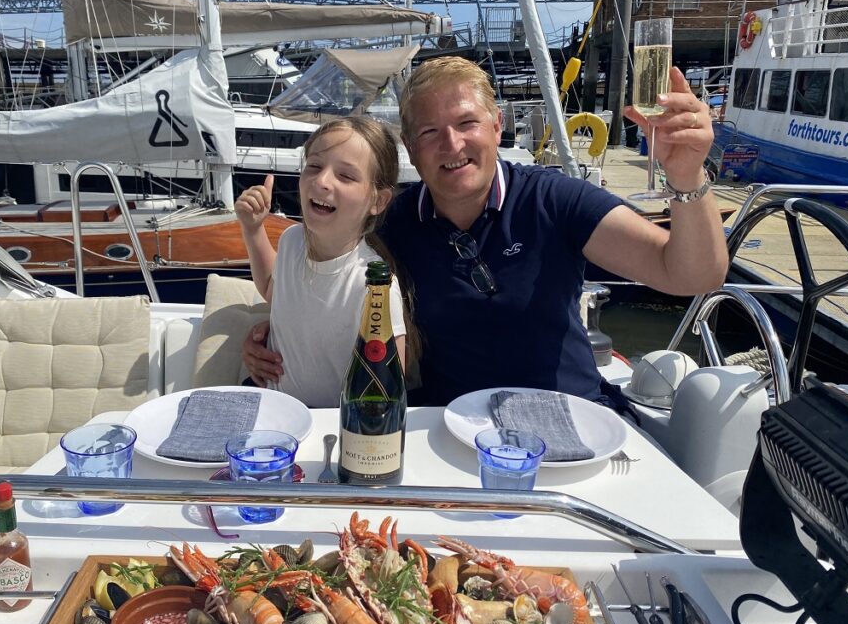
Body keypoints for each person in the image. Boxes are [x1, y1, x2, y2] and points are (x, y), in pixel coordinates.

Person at [244, 58, 728, 411]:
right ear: (412, 149)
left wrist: (686, 176)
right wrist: (268, 336)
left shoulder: (555, 202)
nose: (451, 144)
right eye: (430, 133)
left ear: (498, 127)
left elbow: (690, 274)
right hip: (448, 429)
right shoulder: (393, 222)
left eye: (467, 123)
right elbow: (318, 272)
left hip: (569, 415)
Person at [235, 116, 406, 407]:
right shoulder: (291, 241)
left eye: (346, 176)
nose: (322, 181)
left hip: (329, 423)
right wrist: (253, 230)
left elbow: (389, 389)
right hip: (273, 405)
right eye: (314, 166)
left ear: (378, 201)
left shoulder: (375, 287)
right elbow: (273, 291)